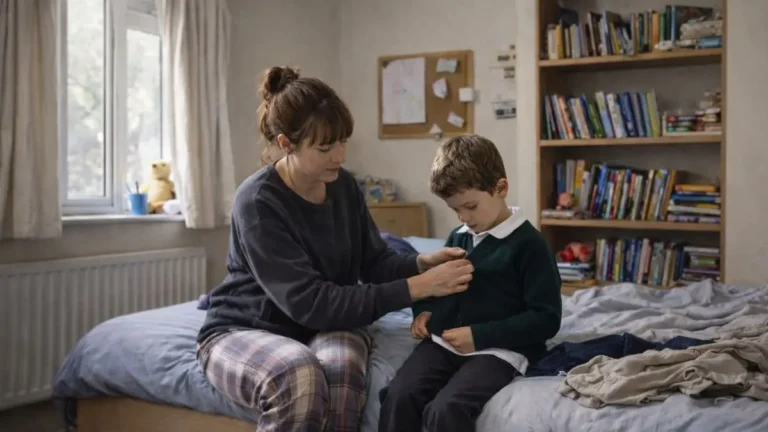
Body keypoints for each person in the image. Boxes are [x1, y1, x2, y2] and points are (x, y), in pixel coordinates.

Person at [195, 65, 475, 432]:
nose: (339, 156)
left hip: (323, 326)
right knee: (299, 375)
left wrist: (422, 263)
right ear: (286, 144)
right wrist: (420, 287)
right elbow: (312, 303)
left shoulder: (344, 187)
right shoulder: (257, 202)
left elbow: (374, 262)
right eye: (325, 147)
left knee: (342, 378)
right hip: (244, 328)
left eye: (343, 141)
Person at [378, 134, 563, 432]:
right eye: (455, 210)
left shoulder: (531, 246)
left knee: (446, 410)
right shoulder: (458, 236)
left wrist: (479, 336)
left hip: (498, 351)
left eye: (471, 206)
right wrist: (422, 312)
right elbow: (436, 287)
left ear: (500, 188)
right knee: (399, 395)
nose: (464, 217)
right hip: (443, 344)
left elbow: (546, 319)